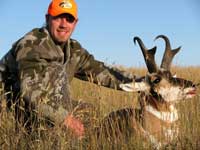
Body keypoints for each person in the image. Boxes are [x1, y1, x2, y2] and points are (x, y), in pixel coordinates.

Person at [0, 0, 135, 138]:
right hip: (11, 108)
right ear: (47, 19)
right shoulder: (32, 44)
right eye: (58, 17)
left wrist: (139, 82)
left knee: (90, 113)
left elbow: (100, 70)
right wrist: (66, 119)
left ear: (75, 23)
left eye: (69, 19)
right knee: (55, 75)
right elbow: (32, 93)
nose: (64, 24)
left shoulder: (73, 49)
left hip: (39, 106)